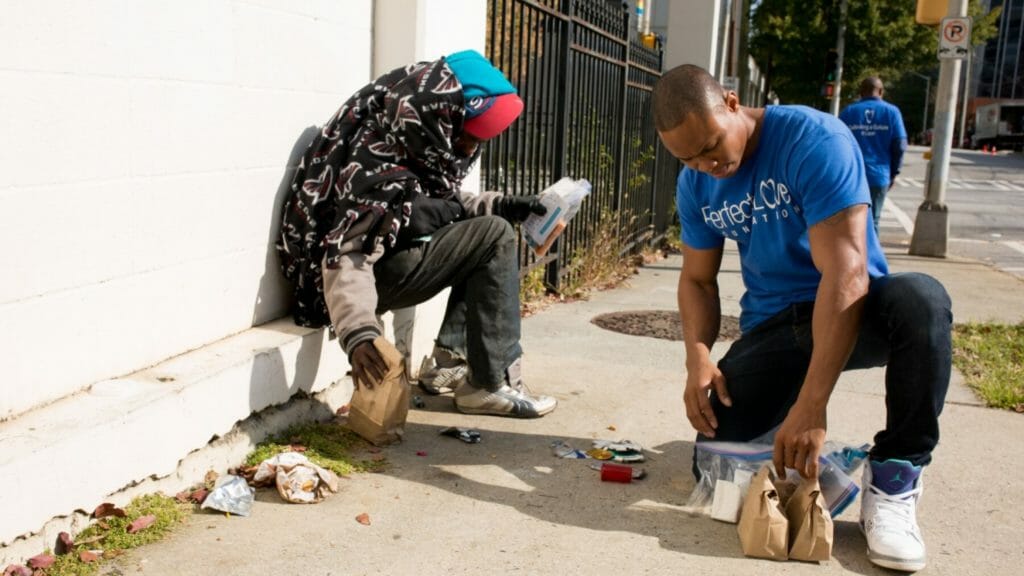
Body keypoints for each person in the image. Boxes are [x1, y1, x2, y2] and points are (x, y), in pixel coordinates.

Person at [652, 65, 951, 572]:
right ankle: (780, 440)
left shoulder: (813, 141)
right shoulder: (695, 184)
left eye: (711, 146)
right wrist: (698, 357)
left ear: (731, 102)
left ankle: (897, 475)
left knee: (921, 299)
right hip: (775, 325)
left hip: (856, 311)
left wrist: (814, 405)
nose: (708, 164)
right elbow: (698, 280)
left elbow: (847, 275)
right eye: (689, 158)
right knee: (715, 462)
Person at [277, 49, 557, 418]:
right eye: (469, 135)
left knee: (485, 230)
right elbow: (347, 253)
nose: (473, 146)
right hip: (361, 283)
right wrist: (360, 332)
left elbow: (441, 203)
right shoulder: (376, 161)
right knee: (493, 236)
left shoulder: (409, 135)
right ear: (442, 114)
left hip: (387, 266)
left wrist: (506, 205)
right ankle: (490, 384)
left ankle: (449, 362)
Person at [839, 77, 908, 233]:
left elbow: (836, 144)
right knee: (873, 221)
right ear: (881, 91)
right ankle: (870, 256)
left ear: (860, 92)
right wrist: (894, 173)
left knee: (849, 221)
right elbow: (900, 145)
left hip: (852, 177)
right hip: (879, 175)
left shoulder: (849, 112)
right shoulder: (892, 112)